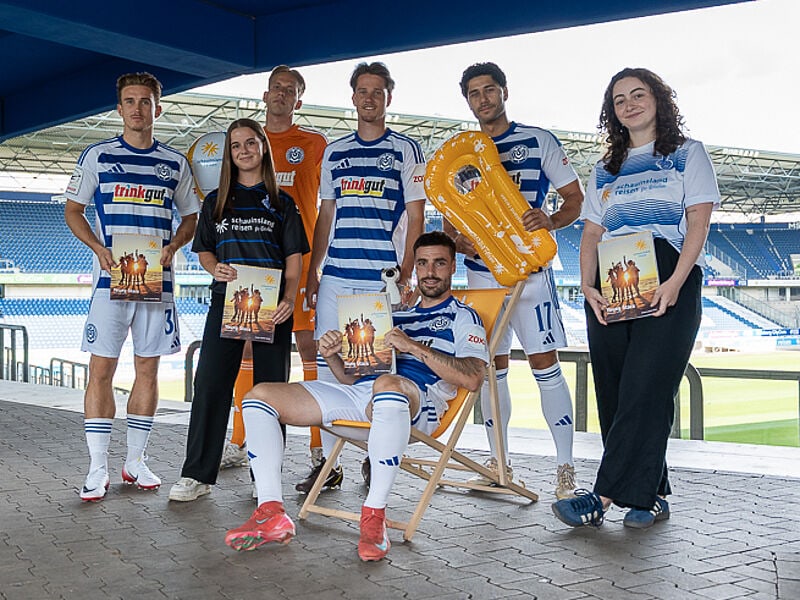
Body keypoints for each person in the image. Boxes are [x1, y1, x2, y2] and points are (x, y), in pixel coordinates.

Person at [224, 231, 488, 561]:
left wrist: (412, 347)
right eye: (422, 263)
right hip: (366, 395)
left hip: (417, 402)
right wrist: (333, 355)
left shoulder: (462, 316)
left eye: (439, 263)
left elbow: (473, 378)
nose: (430, 271)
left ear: (452, 267)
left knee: (387, 386)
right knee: (259, 396)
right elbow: (351, 378)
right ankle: (270, 511)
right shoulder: (393, 314)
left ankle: (374, 517)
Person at [551, 68, 719, 529]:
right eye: (620, 99)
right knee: (617, 390)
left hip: (666, 272)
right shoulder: (606, 168)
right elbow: (591, 233)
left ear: (659, 99)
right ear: (613, 112)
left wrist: (676, 281)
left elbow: (698, 221)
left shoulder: (687, 154)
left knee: (646, 385)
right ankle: (651, 496)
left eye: (638, 94)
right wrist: (587, 285)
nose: (630, 104)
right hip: (613, 278)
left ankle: (601, 497)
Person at [447, 62, 584, 499]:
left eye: (489, 90)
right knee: (491, 371)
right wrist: (459, 242)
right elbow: (450, 214)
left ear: (504, 92)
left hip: (530, 274)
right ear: (467, 101)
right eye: (474, 93)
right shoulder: (460, 153)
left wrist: (551, 220)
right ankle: (498, 463)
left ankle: (565, 468)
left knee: (545, 366)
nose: (483, 99)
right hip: (482, 278)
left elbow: (575, 199)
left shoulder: (539, 141)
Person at [64, 72, 200, 502]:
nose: (138, 108)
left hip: (156, 283)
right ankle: (97, 467)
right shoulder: (98, 156)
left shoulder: (175, 163)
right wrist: (97, 247)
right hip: (110, 281)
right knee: (101, 370)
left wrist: (175, 245)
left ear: (158, 108)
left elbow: (191, 217)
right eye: (130, 101)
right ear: (119, 108)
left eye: (145, 101)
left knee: (148, 370)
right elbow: (73, 210)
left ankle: (136, 461)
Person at [298, 61, 426, 492]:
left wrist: (405, 274)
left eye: (377, 92)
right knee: (327, 367)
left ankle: (375, 456)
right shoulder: (335, 152)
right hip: (335, 276)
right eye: (363, 91)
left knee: (374, 371)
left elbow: (416, 215)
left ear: (388, 98)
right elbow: (326, 216)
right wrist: (314, 273)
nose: (369, 98)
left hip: (377, 280)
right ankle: (327, 463)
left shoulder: (405, 150)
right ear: (352, 97)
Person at [167, 118, 309, 502]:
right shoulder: (216, 200)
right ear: (229, 154)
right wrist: (215, 268)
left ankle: (266, 476)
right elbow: (204, 251)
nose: (243, 150)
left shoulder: (282, 202)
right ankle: (197, 474)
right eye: (235, 145)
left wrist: (288, 299)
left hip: (271, 305)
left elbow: (293, 260)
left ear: (263, 147)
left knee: (270, 390)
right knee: (210, 383)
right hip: (227, 301)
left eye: (250, 143)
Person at [218, 65, 328, 473]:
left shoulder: (314, 144)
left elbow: (328, 204)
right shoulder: (245, 143)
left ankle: (318, 447)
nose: (282, 93)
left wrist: (315, 268)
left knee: (309, 346)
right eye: (276, 87)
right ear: (265, 95)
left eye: (290, 89)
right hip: (254, 268)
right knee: (248, 347)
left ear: (299, 100)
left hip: (300, 260)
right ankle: (240, 438)